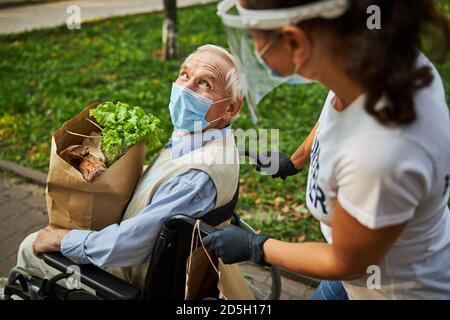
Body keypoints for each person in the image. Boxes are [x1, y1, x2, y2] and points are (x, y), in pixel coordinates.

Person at [204, 0, 450, 299]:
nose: (255, 52)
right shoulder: (365, 62)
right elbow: (331, 118)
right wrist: (294, 161)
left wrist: (258, 246)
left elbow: (346, 261)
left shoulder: (380, 153)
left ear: (295, 40)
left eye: (255, 39)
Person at [16, 44, 244, 289]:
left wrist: (63, 240)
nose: (184, 88)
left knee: (30, 247)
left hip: (126, 276)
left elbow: (128, 245)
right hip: (156, 259)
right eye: (185, 75)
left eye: (204, 84)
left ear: (231, 107)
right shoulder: (206, 138)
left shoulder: (194, 177)